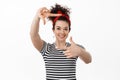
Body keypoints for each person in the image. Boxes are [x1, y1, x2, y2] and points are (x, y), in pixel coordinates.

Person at [30, 4, 92, 80]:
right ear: (53, 30)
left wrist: (80, 52)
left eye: (65, 29)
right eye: (58, 28)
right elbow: (33, 35)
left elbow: (89, 60)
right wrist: (37, 17)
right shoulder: (47, 49)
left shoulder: (74, 48)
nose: (62, 32)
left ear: (69, 30)